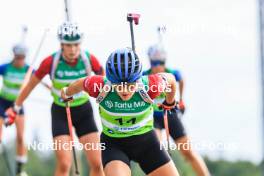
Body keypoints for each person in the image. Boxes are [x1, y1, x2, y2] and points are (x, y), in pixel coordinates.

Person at [61, 48, 180, 176]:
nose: (125, 90)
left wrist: (170, 102)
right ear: (111, 80)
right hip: (115, 145)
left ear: (138, 80)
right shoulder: (99, 86)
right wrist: (67, 92)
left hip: (147, 143)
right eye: (119, 85)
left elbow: (171, 80)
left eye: (130, 85)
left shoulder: (150, 86)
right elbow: (81, 83)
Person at [6, 22, 105, 176]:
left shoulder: (89, 59)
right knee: (65, 163)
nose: (72, 50)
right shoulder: (50, 62)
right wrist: (16, 107)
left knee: (98, 163)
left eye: (76, 45)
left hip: (84, 111)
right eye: (68, 45)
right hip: (60, 113)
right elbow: (30, 86)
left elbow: (103, 80)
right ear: (61, 44)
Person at [143, 44, 210, 176]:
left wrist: (182, 99)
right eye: (154, 63)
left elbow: (181, 79)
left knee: (187, 151)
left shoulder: (171, 73)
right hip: (153, 117)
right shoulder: (145, 76)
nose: (157, 66)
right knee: (157, 150)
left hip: (170, 114)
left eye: (160, 62)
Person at [0, 43, 29, 176]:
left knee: (21, 136)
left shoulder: (28, 70)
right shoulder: (6, 67)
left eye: (22, 57)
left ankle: (20, 169)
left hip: (17, 104)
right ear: (14, 56)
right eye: (18, 57)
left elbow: (39, 79)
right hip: (2, 103)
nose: (20, 60)